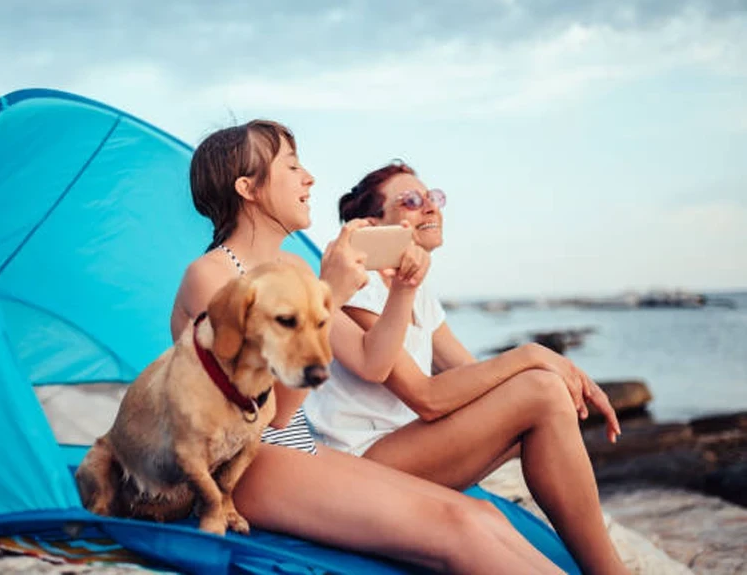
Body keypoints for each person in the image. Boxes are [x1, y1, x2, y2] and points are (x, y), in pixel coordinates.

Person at [169, 120, 578, 574]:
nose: (309, 178)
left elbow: (372, 360)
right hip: (246, 462)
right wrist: (333, 294)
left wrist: (403, 290)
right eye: (292, 166)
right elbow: (271, 413)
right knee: (454, 528)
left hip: (297, 449)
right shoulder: (211, 277)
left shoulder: (293, 268)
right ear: (248, 187)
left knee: (479, 514)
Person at [303, 160, 628, 574]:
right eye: (411, 201)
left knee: (543, 398)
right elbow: (427, 398)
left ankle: (602, 563)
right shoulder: (359, 287)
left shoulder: (414, 292)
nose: (430, 209)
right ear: (372, 225)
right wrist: (533, 354)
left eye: (433, 198)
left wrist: (558, 375)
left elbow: (481, 384)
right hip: (359, 462)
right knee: (541, 392)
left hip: (405, 448)